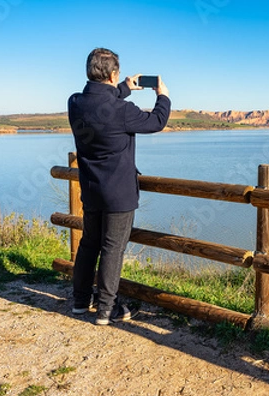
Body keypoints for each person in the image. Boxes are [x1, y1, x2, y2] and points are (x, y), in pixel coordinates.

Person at [67, 48, 171, 325]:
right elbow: (156, 121)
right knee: (112, 249)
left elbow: (100, 106)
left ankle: (80, 301)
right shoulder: (122, 110)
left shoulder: (75, 102)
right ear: (113, 73)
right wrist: (163, 96)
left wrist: (124, 87)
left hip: (90, 189)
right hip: (118, 194)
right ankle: (105, 309)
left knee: (89, 244)